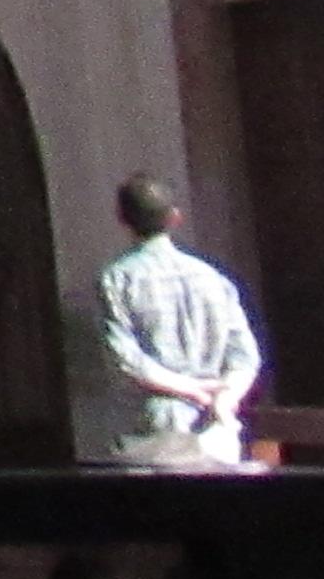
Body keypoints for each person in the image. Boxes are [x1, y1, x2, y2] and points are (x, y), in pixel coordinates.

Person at [98, 174, 264, 467]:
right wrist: (224, 397)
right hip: (215, 426)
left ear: (122, 218)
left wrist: (189, 389)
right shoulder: (213, 278)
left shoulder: (117, 279)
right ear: (176, 218)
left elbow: (125, 359)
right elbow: (245, 357)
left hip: (154, 429)